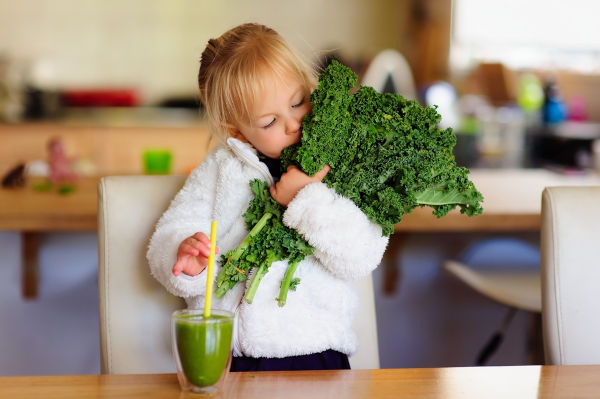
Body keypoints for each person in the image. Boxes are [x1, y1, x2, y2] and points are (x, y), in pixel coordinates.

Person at [147, 23, 388, 372]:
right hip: (234, 353)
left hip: (316, 348)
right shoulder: (220, 169)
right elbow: (170, 233)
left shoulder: (338, 165)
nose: (292, 124)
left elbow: (360, 256)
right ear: (236, 130)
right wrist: (185, 254)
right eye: (270, 121)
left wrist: (306, 198)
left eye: (297, 102)